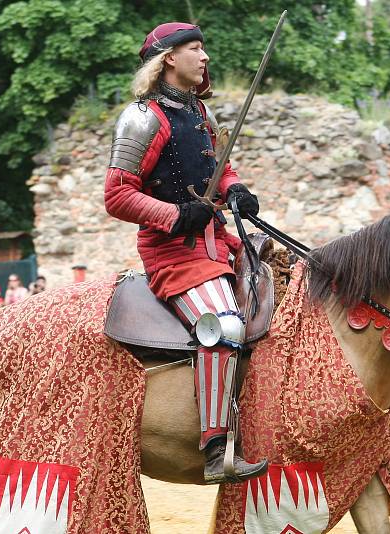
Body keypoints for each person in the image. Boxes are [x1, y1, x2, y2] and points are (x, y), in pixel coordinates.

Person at [103, 22, 267, 484]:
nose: (205, 56)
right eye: (196, 48)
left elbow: (221, 168)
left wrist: (237, 191)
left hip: (218, 243)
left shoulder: (201, 114)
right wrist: (177, 216)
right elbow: (117, 196)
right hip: (173, 253)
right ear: (169, 58)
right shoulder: (141, 118)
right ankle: (215, 447)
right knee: (227, 325)